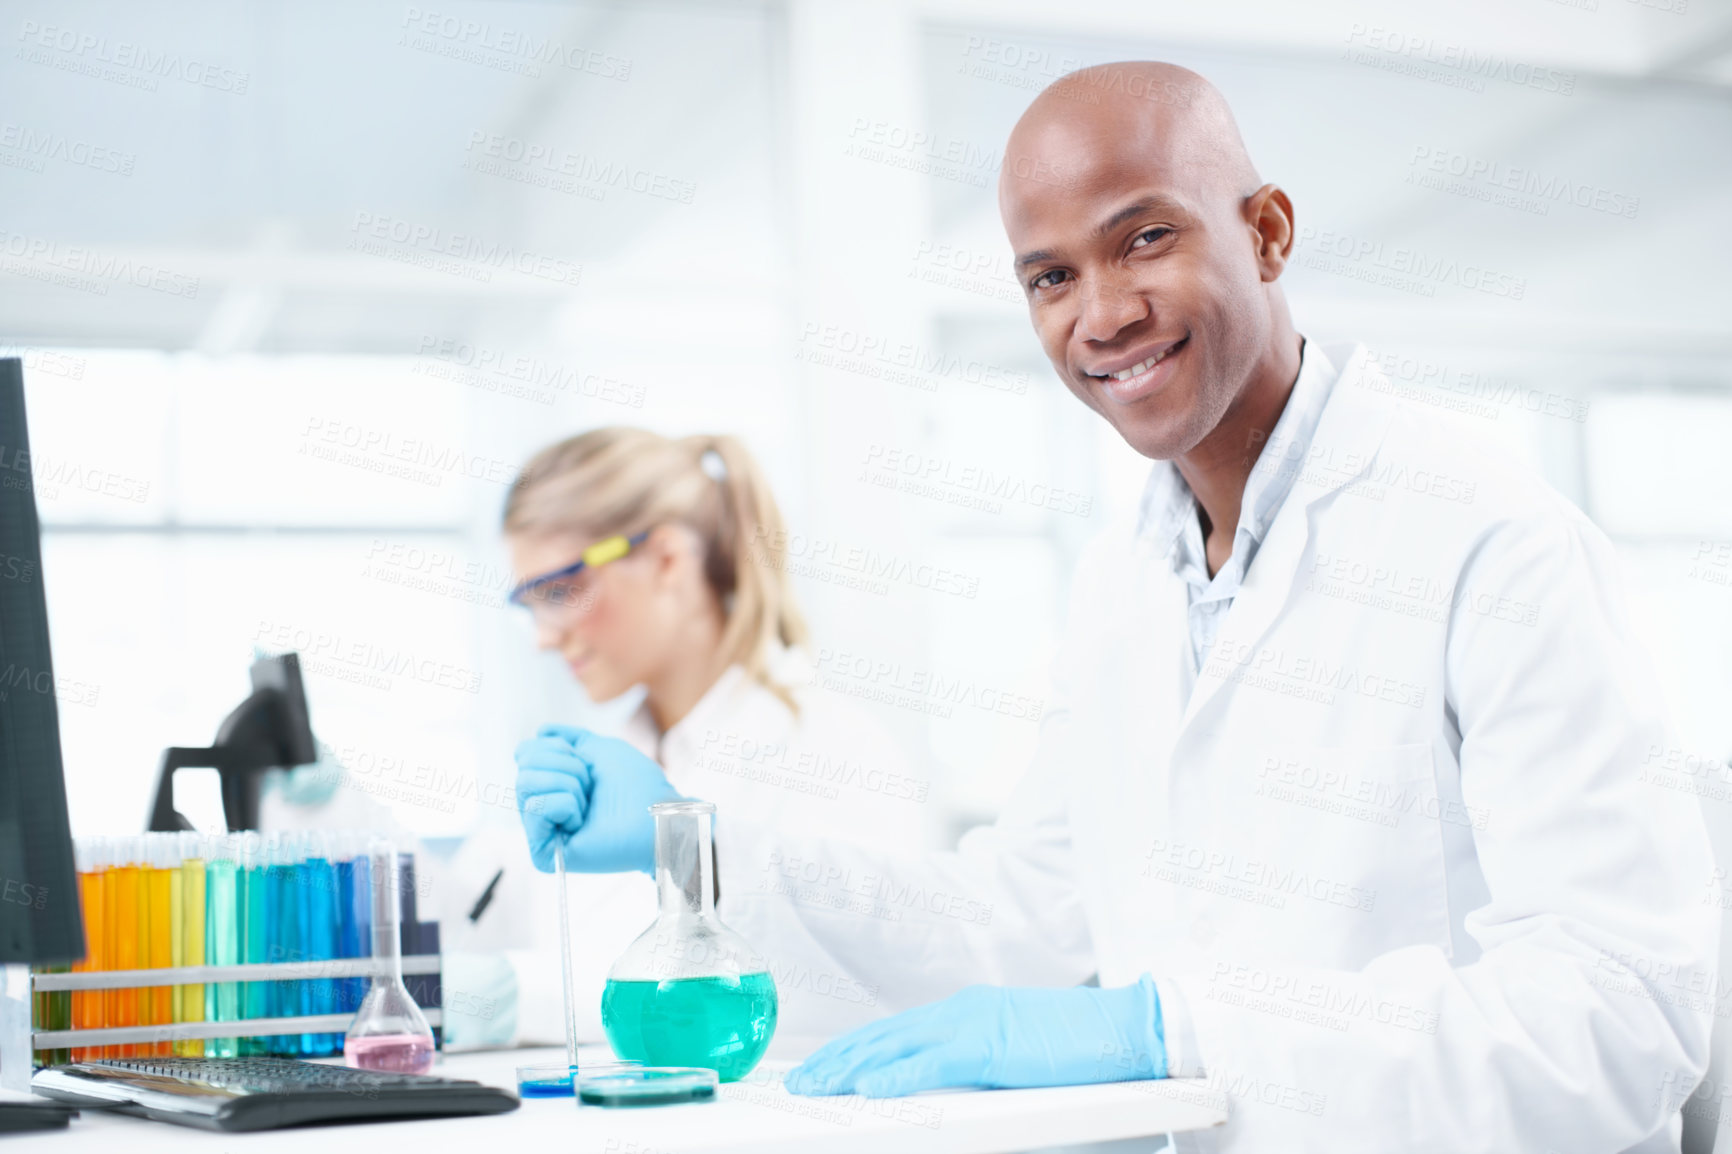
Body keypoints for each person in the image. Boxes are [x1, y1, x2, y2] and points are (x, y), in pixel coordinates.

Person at [513, 64, 1718, 1151]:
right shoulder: (1123, 582)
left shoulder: (1486, 534)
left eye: (1142, 238)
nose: (1099, 313)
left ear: (1267, 232)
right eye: (1050, 276)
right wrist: (702, 841)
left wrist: (1169, 1028)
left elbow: (1621, 1013)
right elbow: (1025, 916)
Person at [440, 427, 933, 1049]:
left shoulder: (831, 749)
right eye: (529, 604)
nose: (542, 635)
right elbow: (467, 915)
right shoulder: (614, 759)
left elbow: (820, 992)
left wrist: (518, 996)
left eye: (559, 592)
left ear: (669, 559)